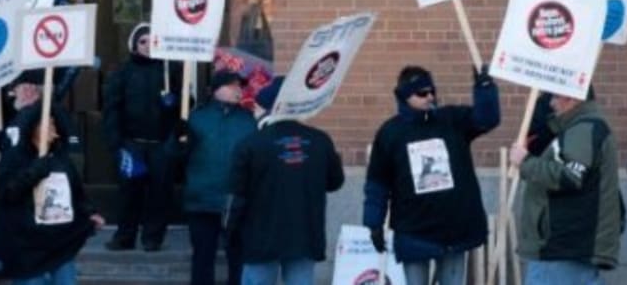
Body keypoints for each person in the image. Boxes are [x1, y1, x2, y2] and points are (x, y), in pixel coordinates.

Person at [363, 65, 500, 285]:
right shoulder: (391, 133)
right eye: (422, 93)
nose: (430, 97)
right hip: (414, 231)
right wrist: (374, 223)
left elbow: (486, 120)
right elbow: (377, 183)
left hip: (455, 230)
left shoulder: (452, 121)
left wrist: (485, 90)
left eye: (432, 91)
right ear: (405, 96)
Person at [227, 78, 345, 285]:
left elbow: (237, 194)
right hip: (305, 233)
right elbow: (335, 182)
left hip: (260, 237)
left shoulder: (250, 144)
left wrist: (231, 232)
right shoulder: (320, 140)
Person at [511, 87, 621, 285]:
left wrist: (525, 161)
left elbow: (570, 176)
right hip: (569, 248)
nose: (551, 103)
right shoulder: (579, 128)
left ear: (571, 98)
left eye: (555, 96)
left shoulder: (584, 129)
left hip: (563, 248)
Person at [0, 104, 104, 285]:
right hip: (28, 247)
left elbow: (75, 192)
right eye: (48, 123)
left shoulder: (62, 159)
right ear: (33, 129)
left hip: (60, 243)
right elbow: (8, 193)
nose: (53, 127)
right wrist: (34, 171)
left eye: (54, 123)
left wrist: (90, 212)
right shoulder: (15, 157)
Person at [101, 22, 180, 251]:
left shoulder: (169, 69)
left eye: (152, 40)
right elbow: (112, 109)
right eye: (143, 41)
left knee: (159, 194)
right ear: (134, 44)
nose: (147, 46)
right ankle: (125, 237)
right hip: (131, 144)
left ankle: (152, 238)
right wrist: (117, 144)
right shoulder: (122, 73)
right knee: (129, 194)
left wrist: (172, 104)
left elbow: (187, 104)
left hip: (160, 145)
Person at [176, 70, 256, 285]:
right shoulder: (195, 118)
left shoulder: (248, 119)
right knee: (203, 257)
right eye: (232, 85)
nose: (238, 90)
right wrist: (177, 141)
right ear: (215, 90)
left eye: (240, 85)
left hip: (237, 201)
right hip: (202, 199)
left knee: (238, 258)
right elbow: (175, 157)